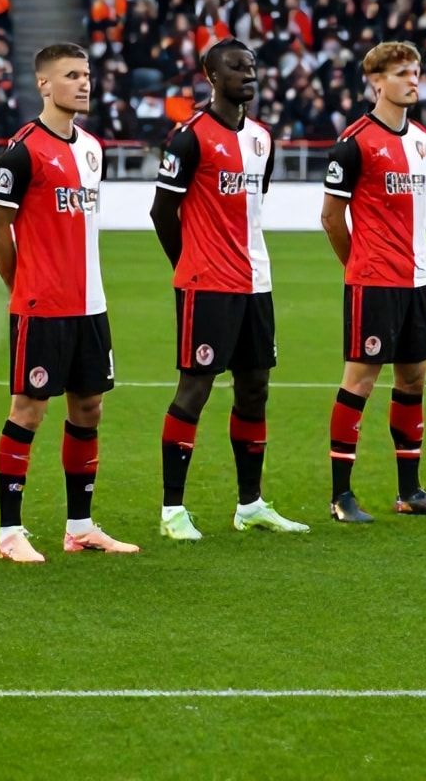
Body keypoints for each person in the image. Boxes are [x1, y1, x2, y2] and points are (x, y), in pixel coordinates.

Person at [0, 43, 139, 563]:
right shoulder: (22, 150)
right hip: (41, 305)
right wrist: (21, 284)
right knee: (28, 412)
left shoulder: (92, 149)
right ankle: (9, 532)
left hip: (89, 305)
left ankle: (80, 527)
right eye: (71, 75)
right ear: (44, 85)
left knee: (89, 408)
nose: (84, 83)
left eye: (87, 74)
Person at [150, 38, 308, 540]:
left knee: (255, 389)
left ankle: (251, 504)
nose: (248, 74)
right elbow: (161, 212)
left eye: (253, 67)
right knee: (195, 389)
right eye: (236, 67)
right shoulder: (189, 137)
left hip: (255, 283)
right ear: (210, 75)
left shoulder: (262, 138)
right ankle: (172, 510)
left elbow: (254, 207)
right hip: (207, 284)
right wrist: (189, 263)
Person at [318, 41, 426, 523]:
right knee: (360, 379)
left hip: (418, 279)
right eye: (402, 73)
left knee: (413, 377)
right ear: (377, 82)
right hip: (374, 280)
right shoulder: (354, 141)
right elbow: (332, 217)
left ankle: (410, 492)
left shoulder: (424, 141)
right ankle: (341, 496)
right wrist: (357, 266)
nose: (413, 79)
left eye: (416, 71)